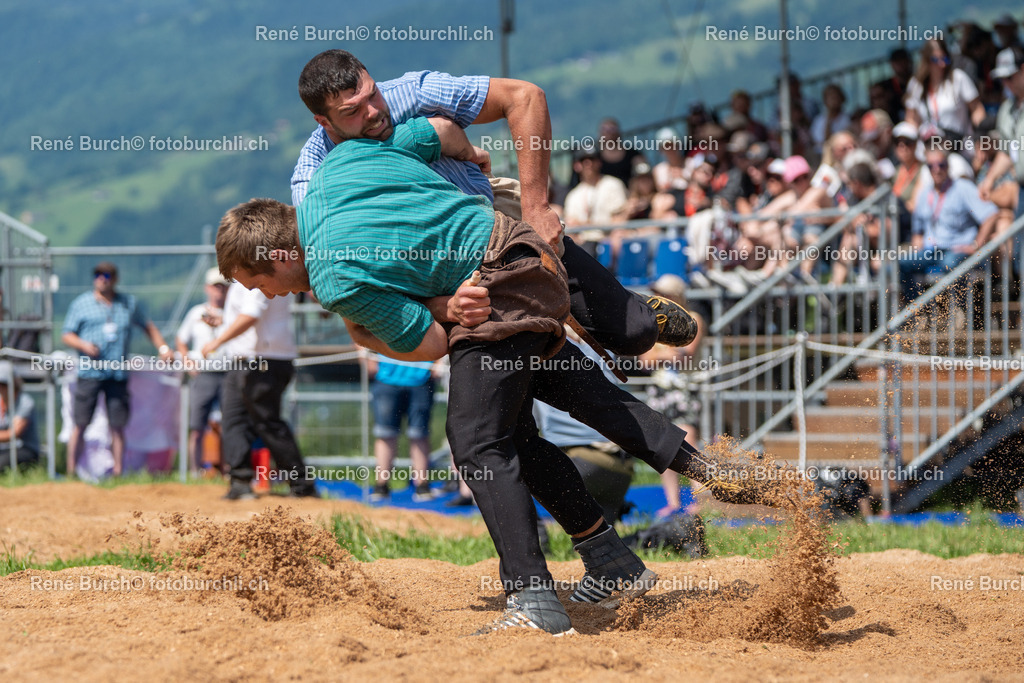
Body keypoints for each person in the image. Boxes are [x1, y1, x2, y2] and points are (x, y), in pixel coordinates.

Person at [216, 117, 775, 634]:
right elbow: (436, 132)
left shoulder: (335, 278)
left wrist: (388, 322)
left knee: (477, 441)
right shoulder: (339, 166)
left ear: (283, 253)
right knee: (556, 412)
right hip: (529, 256)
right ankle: (694, 485)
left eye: (255, 280)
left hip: (495, 295)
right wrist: (476, 160)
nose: (264, 294)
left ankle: (532, 600)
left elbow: (435, 343)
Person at [290, 49, 696, 359]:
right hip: (447, 283)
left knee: (632, 332)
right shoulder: (311, 178)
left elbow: (525, 97)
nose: (375, 112)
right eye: (353, 112)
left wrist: (536, 207)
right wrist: (441, 308)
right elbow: (344, 273)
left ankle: (639, 310)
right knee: (494, 425)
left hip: (501, 227)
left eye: (372, 94)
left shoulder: (412, 93)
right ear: (323, 123)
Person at [201, 282, 316, 500]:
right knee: (234, 420)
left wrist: (217, 340)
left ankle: (302, 485)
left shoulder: (257, 274)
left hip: (264, 360)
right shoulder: (243, 277)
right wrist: (224, 321)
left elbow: (252, 315)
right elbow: (250, 315)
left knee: (266, 421)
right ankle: (240, 482)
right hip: (246, 360)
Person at [62, 261, 174, 477]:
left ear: (115, 278)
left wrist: (163, 348)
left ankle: (117, 473)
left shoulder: (127, 304)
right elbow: (67, 333)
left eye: (106, 275)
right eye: (98, 274)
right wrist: (84, 345)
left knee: (118, 425)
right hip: (89, 372)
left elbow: (148, 326)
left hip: (118, 374)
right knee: (80, 423)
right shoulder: (81, 304)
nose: (102, 278)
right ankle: (71, 473)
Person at [898, 146, 998, 302]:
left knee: (949, 263)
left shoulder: (962, 188)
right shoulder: (925, 194)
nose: (937, 170)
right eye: (931, 166)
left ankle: (960, 310)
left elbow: (991, 214)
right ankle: (918, 313)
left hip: (957, 248)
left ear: (948, 165)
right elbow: (917, 230)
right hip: (932, 250)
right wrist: (918, 249)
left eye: (941, 165)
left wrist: (976, 245)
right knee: (903, 263)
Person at [175, 267, 229, 474]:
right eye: (216, 287)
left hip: (227, 372)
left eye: (223, 287)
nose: (220, 291)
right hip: (204, 374)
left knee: (227, 426)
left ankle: (226, 469)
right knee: (197, 426)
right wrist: (188, 362)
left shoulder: (233, 314)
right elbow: (181, 339)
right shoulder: (196, 313)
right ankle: (194, 470)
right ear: (208, 288)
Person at [365, 354, 439, 502]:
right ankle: (381, 486)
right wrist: (367, 359)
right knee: (385, 434)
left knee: (419, 434)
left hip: (422, 378)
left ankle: (422, 486)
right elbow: (359, 333)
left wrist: (437, 362)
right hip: (385, 378)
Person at [905, 38, 985, 149]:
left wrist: (979, 138)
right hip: (929, 150)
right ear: (926, 61)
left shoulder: (958, 78)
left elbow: (977, 109)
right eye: (936, 60)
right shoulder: (916, 85)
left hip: (959, 146)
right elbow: (911, 118)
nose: (942, 64)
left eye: (945, 59)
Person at [0, 362, 39, 472]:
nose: (2, 388)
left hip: (25, 450)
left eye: (4, 384)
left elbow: (14, 433)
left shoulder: (25, 402)